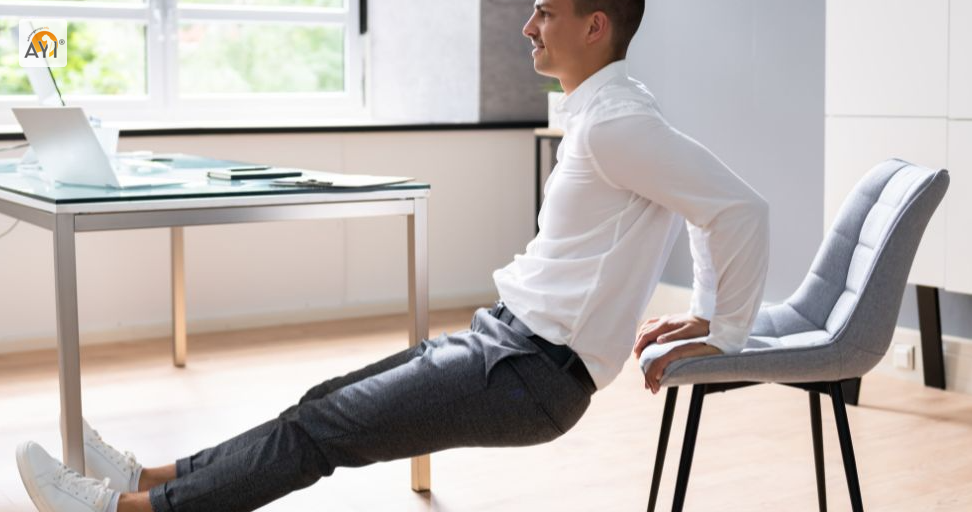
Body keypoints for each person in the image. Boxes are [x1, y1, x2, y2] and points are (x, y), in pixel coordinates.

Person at [15, 1, 769, 511]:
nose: (528, 25)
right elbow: (708, 210)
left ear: (595, 25)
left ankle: (130, 509)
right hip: (505, 341)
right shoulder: (604, 114)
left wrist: (722, 327)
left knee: (320, 433)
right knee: (319, 406)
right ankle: (150, 477)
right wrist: (704, 310)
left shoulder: (618, 123)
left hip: (532, 373)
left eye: (545, 11)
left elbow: (738, 210)